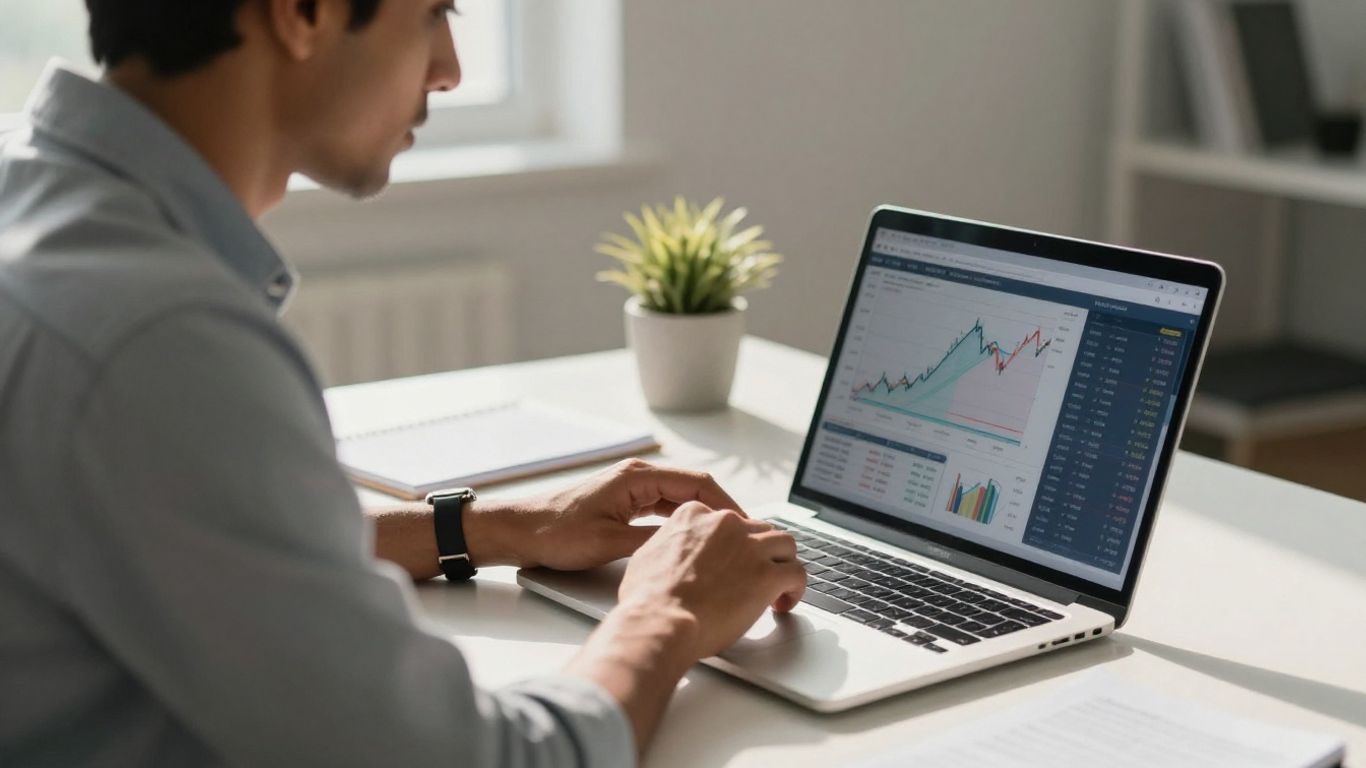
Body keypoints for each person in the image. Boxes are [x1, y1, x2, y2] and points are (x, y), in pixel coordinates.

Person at [0, 0, 806, 765]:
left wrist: (488, 528)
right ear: (301, 12)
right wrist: (667, 612)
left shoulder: (36, 213)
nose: (450, 70)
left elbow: (187, 538)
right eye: (433, 14)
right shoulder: (160, 341)